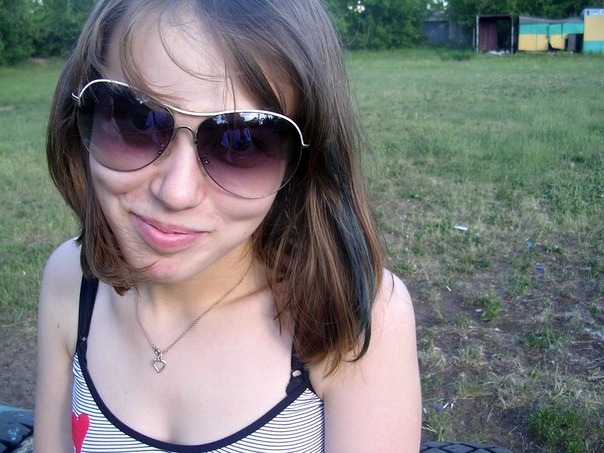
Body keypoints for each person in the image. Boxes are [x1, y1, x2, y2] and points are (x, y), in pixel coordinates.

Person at [34, 0, 422, 451]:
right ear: (80, 115)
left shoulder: (353, 315)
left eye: (243, 143)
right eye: (137, 119)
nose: (176, 192)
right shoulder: (71, 280)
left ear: (302, 163)